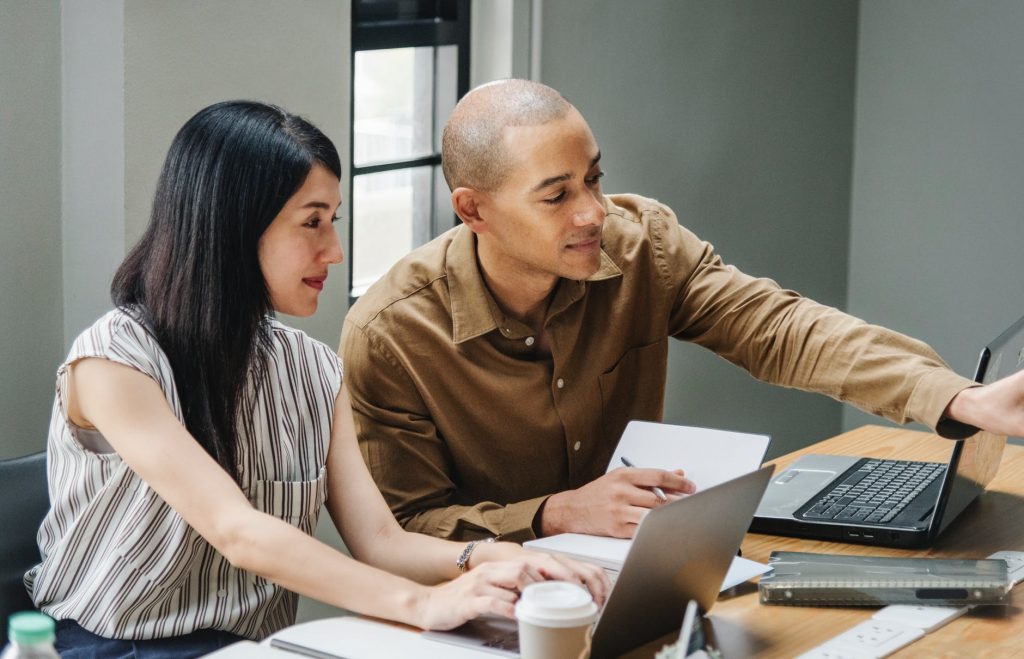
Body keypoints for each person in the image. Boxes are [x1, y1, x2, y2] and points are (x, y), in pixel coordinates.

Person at [25, 100, 607, 658]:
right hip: (108, 648)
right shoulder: (113, 360)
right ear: (231, 227)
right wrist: (424, 604)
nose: (334, 251)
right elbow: (238, 531)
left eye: (334, 221)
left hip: (253, 649)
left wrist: (491, 560)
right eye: (312, 224)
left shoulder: (312, 367)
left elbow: (382, 542)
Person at [339, 79, 1024, 543]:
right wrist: (552, 514)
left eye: (595, 178)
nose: (593, 212)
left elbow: (779, 327)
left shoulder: (643, 245)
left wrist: (961, 399)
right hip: (486, 611)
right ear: (473, 209)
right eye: (557, 196)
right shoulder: (391, 333)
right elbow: (402, 527)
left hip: (645, 572)